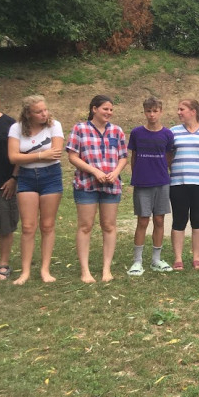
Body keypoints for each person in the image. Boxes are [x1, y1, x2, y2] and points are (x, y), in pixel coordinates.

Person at [66, 95, 128, 283]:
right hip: (86, 184)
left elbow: (123, 157)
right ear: (94, 109)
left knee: (109, 226)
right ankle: (85, 271)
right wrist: (94, 171)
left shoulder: (117, 131)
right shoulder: (80, 129)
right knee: (85, 226)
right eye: (105, 109)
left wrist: (116, 172)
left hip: (111, 185)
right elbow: (72, 156)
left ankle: (106, 269)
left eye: (111, 109)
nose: (109, 112)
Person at [7, 95, 64, 284]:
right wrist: (41, 155)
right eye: (38, 112)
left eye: (45, 110)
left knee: (47, 225)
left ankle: (45, 269)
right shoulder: (16, 128)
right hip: (26, 177)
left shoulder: (54, 125)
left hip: (51, 176)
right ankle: (25, 272)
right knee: (28, 227)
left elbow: (55, 154)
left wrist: (27, 155)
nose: (44, 114)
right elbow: (13, 157)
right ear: (28, 114)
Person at [126, 97, 175, 276]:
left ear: (161, 112)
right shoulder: (137, 133)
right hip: (142, 182)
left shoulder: (167, 134)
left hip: (161, 182)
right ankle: (137, 261)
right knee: (142, 221)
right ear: (144, 112)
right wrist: (138, 176)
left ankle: (156, 259)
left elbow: (168, 157)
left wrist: (161, 171)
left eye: (155, 111)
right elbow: (134, 157)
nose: (152, 115)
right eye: (148, 111)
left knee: (159, 220)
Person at [169, 98, 199, 271]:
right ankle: (178, 258)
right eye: (178, 109)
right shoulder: (173, 132)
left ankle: (196, 257)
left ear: (193, 111)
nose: (178, 112)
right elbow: (169, 156)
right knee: (179, 220)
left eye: (182, 109)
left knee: (198, 219)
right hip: (178, 182)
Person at [0, 89, 19, 281]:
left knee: (5, 226)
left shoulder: (10, 124)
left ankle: (3, 265)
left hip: (2, 185)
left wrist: (14, 178)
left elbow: (20, 153)